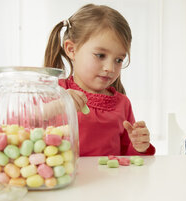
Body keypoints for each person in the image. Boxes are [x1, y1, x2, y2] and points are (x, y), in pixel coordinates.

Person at [44, 4, 155, 156]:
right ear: (71, 50)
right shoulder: (54, 92)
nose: (110, 67)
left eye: (118, 60)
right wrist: (51, 109)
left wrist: (139, 146)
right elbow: (18, 128)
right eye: (100, 55)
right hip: (67, 178)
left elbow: (128, 157)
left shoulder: (123, 104)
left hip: (111, 180)